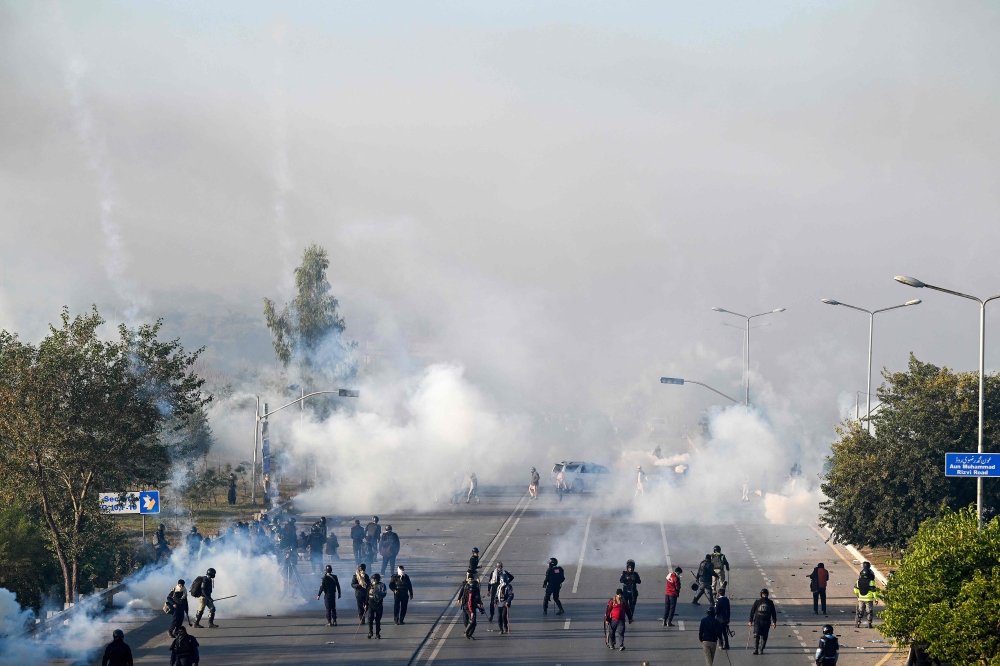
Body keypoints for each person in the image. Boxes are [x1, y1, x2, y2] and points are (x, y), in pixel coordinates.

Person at [749, 588, 778, 655]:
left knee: (764, 636)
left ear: (767, 594)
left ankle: (761, 649)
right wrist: (750, 621)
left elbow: (773, 612)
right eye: (763, 594)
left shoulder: (770, 603)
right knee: (756, 634)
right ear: (761, 594)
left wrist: (774, 622)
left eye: (765, 594)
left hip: (766, 621)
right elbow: (752, 611)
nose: (764, 595)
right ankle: (756, 649)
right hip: (757, 621)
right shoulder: (757, 602)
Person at [459, 570, 485, 639]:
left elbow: (478, 596)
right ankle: (466, 632)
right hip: (467, 606)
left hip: (472, 607)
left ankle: (469, 634)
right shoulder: (467, 588)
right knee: (469, 620)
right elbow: (469, 602)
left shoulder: (476, 589)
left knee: (473, 622)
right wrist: (472, 612)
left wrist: (479, 602)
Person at [854, 562, 878, 628]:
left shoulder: (858, 581)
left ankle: (858, 623)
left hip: (861, 598)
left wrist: (858, 595)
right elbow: (874, 591)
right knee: (869, 611)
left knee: (860, 610)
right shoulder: (871, 582)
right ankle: (869, 623)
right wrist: (876, 599)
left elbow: (855, 589)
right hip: (869, 599)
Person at [367, 573, 387, 639]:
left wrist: (376, 592)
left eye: (374, 579)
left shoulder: (382, 585)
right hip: (371, 604)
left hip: (378, 604)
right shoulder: (370, 585)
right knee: (370, 618)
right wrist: (365, 604)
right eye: (373, 579)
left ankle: (377, 634)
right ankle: (370, 632)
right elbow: (367, 595)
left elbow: (384, 594)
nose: (373, 580)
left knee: (378, 620)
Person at [494, 568, 514, 634]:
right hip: (499, 603)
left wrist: (508, 601)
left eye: (501, 580)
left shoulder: (508, 586)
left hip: (505, 603)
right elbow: (496, 595)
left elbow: (511, 595)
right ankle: (501, 629)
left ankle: (505, 626)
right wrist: (495, 601)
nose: (500, 581)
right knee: (499, 617)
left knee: (503, 616)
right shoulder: (499, 587)